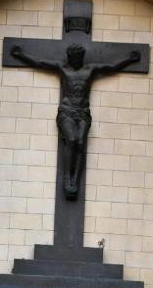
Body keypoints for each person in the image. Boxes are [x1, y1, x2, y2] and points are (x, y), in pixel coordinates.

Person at [11, 42, 140, 199]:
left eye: (80, 57)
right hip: (67, 111)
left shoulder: (90, 69)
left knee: (80, 143)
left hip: (83, 112)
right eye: (75, 57)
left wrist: (130, 59)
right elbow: (39, 63)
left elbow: (112, 67)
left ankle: (75, 180)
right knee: (71, 140)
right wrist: (20, 55)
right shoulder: (62, 67)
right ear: (70, 57)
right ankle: (67, 177)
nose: (77, 60)